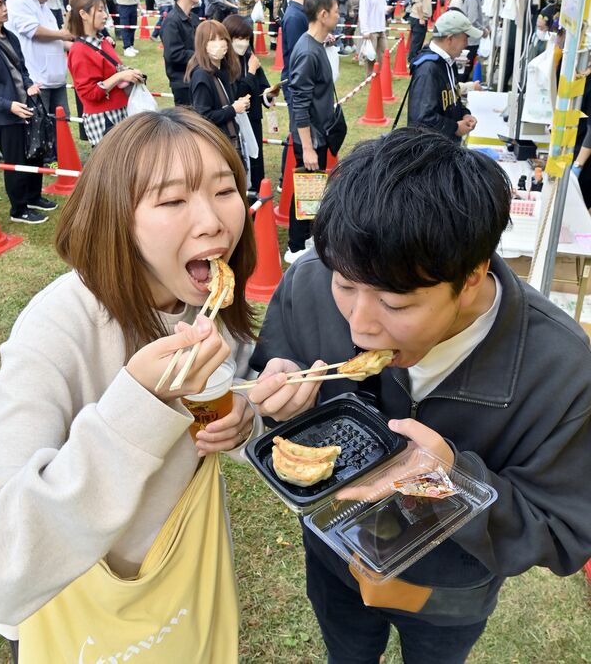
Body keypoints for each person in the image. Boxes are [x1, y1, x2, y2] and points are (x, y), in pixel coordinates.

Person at [249, 127, 591, 664]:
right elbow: (267, 383)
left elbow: (565, 533)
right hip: (334, 563)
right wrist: (277, 403)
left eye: (396, 304)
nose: (360, 327)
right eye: (346, 287)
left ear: (472, 276)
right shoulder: (313, 283)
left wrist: (452, 483)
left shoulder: (562, 368)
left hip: (447, 596)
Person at [0, 108, 262, 663]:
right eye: (172, 199)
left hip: (182, 586)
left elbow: (214, 415)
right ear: (118, 218)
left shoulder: (206, 307)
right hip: (75, 612)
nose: (213, 222)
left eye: (225, 189)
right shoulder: (57, 327)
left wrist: (245, 414)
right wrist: (136, 408)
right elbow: (1, 563)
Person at [0, 0, 57, 224]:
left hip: (25, 104)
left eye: (3, 2)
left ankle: (33, 196)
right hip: (5, 113)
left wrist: (29, 85)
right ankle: (18, 209)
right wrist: (8, 105)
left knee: (34, 153)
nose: (4, 8)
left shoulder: (9, 36)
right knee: (16, 160)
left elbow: (22, 69)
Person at [285, 0, 339, 265]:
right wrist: (306, 146)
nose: (339, 15)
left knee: (311, 188)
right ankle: (295, 247)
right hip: (310, 137)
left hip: (318, 133)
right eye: (336, 10)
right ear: (323, 14)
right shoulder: (307, 52)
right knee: (306, 187)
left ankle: (303, 239)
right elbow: (299, 104)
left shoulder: (316, 45)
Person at [67, 0, 144, 146]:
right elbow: (89, 93)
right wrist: (120, 77)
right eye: (100, 10)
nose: (105, 15)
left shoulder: (102, 41)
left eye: (104, 10)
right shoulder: (80, 50)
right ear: (84, 14)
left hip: (119, 113)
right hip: (104, 121)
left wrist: (127, 73)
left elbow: (114, 69)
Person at [6, 0, 72, 136]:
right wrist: (62, 35)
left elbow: (56, 37)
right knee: (42, 129)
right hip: (37, 79)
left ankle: (60, 159)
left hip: (55, 76)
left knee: (61, 125)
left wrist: (76, 47)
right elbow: (33, 30)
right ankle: (49, 163)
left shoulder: (41, 4)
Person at [224, 13, 279, 197]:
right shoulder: (224, 63)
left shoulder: (249, 56)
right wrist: (251, 73)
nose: (244, 42)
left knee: (256, 157)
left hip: (253, 118)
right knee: (240, 158)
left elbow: (262, 86)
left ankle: (257, 192)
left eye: (247, 38)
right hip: (234, 121)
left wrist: (269, 94)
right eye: (239, 38)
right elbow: (236, 94)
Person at [407, 10, 480, 143]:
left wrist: (464, 113)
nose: (466, 44)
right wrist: (455, 128)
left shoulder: (448, 62)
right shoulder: (428, 69)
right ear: (450, 39)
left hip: (444, 147)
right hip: (430, 152)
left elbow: (453, 98)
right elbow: (421, 119)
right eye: (465, 38)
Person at [186, 20, 250, 160]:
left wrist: (238, 104)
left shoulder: (223, 69)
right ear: (202, 44)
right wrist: (233, 109)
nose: (219, 43)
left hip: (227, 139)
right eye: (212, 40)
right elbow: (203, 116)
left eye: (222, 39)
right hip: (215, 143)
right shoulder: (202, 75)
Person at [161, 0, 201, 105]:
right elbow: (174, 54)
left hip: (198, 77)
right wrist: (201, 56)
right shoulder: (171, 22)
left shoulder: (194, 18)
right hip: (183, 83)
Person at [358, 0, 391, 76]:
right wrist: (365, 30)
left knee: (384, 52)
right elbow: (363, 13)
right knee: (370, 55)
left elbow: (381, 7)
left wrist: (387, 9)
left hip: (381, 27)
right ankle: (369, 75)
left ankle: (382, 73)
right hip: (371, 30)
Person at [461, 0, 488, 80]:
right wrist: (483, 30)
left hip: (470, 38)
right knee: (465, 68)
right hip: (470, 39)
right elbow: (472, 20)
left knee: (466, 67)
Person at [408, 0, 433, 64]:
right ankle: (413, 62)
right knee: (416, 43)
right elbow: (418, 2)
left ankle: (414, 61)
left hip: (420, 17)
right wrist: (421, 18)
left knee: (418, 42)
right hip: (418, 17)